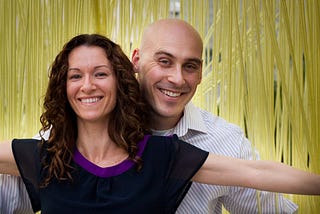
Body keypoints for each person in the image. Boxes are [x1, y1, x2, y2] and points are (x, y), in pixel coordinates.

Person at [0, 34, 320, 214]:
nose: (88, 86)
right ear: (63, 87)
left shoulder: (160, 155)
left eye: (100, 73)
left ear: (120, 82)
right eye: (75, 76)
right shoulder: (45, 157)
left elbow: (256, 172)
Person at [131, 18, 299, 213]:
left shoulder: (226, 141)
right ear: (136, 60)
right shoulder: (100, 130)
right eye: (164, 61)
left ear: (201, 72)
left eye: (190, 66)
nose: (177, 79)